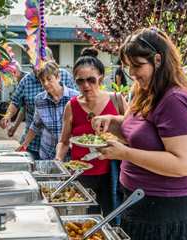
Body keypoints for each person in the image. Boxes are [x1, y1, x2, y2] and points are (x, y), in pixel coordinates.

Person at [91, 28, 187, 240]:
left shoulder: (175, 99)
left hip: (169, 211)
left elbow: (183, 164)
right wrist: (113, 123)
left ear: (158, 59)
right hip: (140, 203)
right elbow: (140, 132)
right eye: (128, 67)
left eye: (137, 65)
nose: (132, 73)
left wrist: (125, 154)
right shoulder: (142, 91)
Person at [55, 47, 127, 216]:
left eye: (91, 80)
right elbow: (64, 141)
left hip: (112, 172)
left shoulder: (116, 100)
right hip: (81, 173)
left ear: (100, 78)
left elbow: (135, 131)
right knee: (84, 219)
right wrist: (58, 160)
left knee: (112, 218)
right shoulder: (71, 106)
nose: (86, 85)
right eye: (80, 81)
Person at [0, 48, 77, 160]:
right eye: (34, 64)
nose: (45, 83)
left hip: (67, 146)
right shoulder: (34, 92)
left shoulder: (70, 90)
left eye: (49, 79)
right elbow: (20, 105)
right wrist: (9, 119)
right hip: (39, 145)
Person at [17, 61, 79, 159]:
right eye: (42, 80)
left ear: (58, 77)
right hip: (48, 153)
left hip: (70, 153)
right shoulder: (39, 99)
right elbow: (36, 125)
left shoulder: (75, 97)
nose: (45, 83)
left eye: (49, 79)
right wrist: (24, 145)